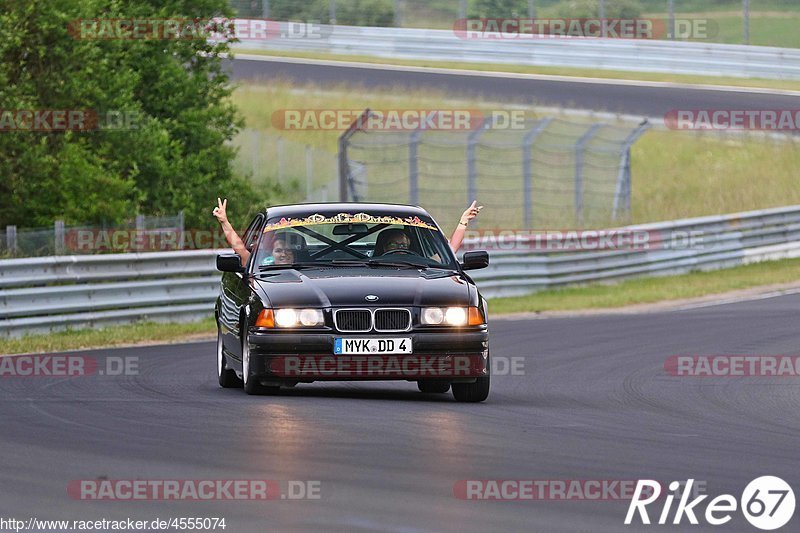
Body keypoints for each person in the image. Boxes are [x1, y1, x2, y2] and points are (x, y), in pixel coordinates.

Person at [212, 197, 483, 265]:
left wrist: (461, 224)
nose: (282, 253)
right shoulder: (265, 266)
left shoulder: (424, 264)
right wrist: (225, 222)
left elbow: (447, 253)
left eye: (402, 244)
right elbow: (241, 252)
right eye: (280, 249)